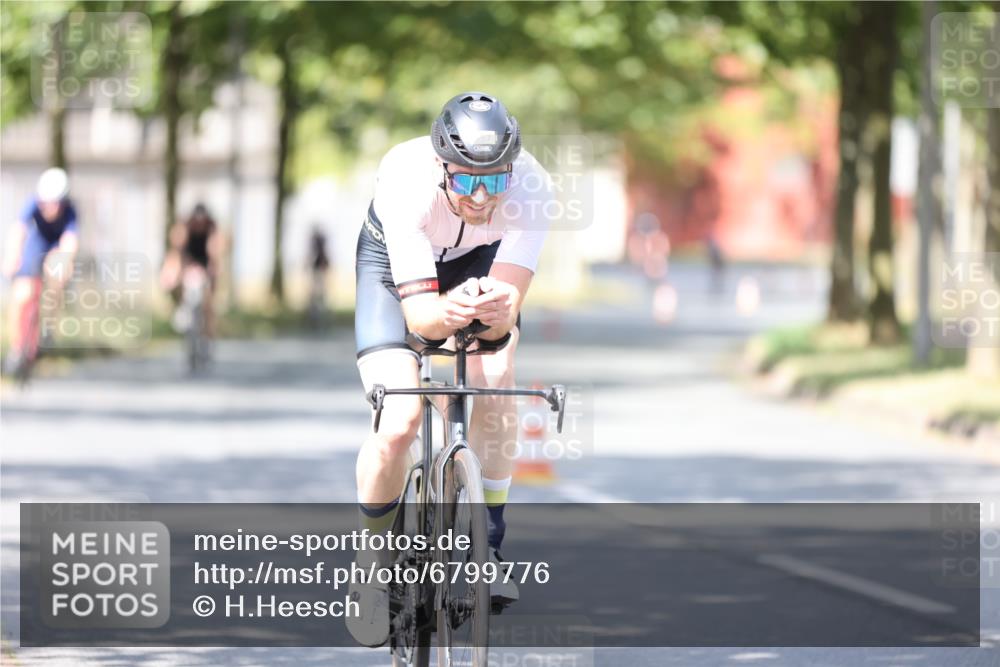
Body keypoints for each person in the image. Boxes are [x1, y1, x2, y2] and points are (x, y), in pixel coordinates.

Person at [349, 92, 555, 646]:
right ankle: (371, 568)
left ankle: (490, 543)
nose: (482, 195)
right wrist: (448, 314)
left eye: (495, 179)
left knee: (495, 379)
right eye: (466, 181)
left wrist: (492, 315)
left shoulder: (534, 188)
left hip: (480, 264)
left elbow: (502, 321)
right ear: (442, 166)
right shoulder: (404, 177)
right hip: (394, 270)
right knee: (399, 422)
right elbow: (420, 318)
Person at [2, 168, 79, 373]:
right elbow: (18, 231)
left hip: (55, 248)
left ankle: (47, 326)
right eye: (45, 203)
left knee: (57, 271)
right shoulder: (32, 203)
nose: (48, 208)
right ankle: (17, 348)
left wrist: (65, 261)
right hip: (35, 246)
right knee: (21, 294)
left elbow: (70, 242)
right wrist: (12, 257)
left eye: (54, 203)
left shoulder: (70, 212)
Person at [160, 203, 221, 337]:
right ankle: (182, 310)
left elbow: (213, 251)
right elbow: (177, 250)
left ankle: (209, 330)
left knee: (209, 299)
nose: (199, 225)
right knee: (180, 282)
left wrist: (212, 269)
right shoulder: (186, 227)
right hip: (189, 261)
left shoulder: (211, 227)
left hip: (205, 260)